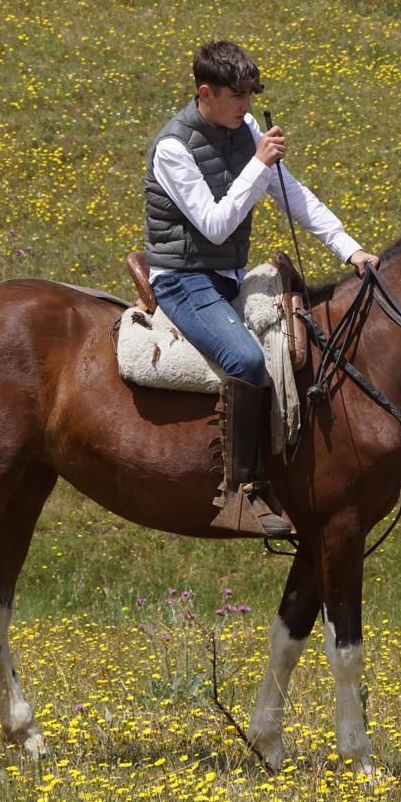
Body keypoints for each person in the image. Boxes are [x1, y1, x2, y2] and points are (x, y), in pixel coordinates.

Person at [144, 41, 380, 537]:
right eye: (238, 96)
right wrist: (258, 164)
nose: (248, 106)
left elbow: (290, 193)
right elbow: (213, 224)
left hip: (226, 276)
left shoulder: (243, 128)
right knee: (248, 361)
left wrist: (348, 248)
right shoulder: (173, 148)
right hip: (183, 280)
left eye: (251, 94)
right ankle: (239, 492)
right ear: (205, 93)